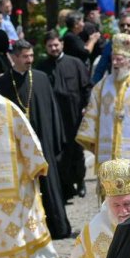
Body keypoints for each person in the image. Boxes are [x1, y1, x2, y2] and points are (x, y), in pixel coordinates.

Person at [0, 39, 72, 239]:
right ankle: (29, 233)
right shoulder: (1, 84)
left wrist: (56, 140)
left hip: (43, 143)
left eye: (31, 56)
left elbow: (53, 111)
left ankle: (57, 228)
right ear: (14, 57)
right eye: (25, 56)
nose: (29, 60)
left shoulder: (41, 78)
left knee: (49, 185)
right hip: (16, 148)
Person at [0, 85, 59, 258]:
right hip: (0, 184)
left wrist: (36, 164)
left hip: (13, 182)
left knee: (16, 224)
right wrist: (35, 162)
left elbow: (25, 134)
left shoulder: (3, 106)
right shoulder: (5, 105)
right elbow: (27, 136)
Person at [76, 33, 130, 176]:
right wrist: (92, 141)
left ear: (129, 61)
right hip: (107, 153)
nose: (114, 63)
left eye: (119, 59)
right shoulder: (101, 87)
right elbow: (92, 116)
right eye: (112, 59)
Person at [36, 30, 93, 200]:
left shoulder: (75, 63)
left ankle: (80, 181)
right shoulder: (41, 68)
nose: (54, 48)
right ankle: (66, 187)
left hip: (74, 116)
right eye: (50, 46)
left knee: (77, 152)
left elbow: (86, 87)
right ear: (45, 47)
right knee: (59, 154)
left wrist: (86, 107)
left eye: (56, 45)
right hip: (54, 118)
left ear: (61, 44)